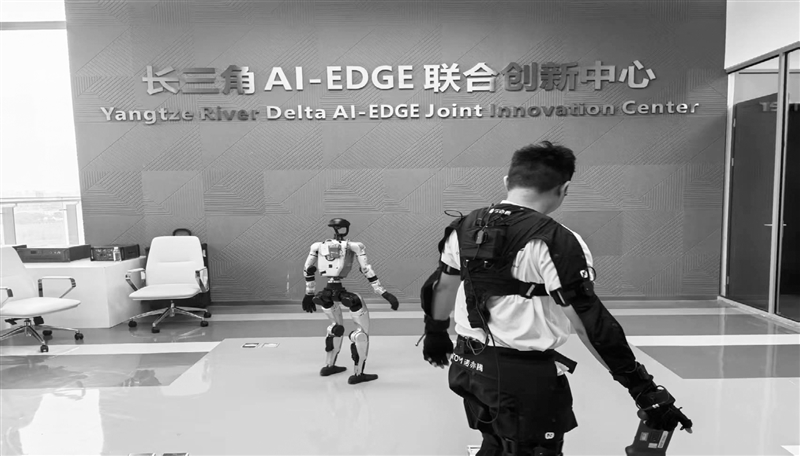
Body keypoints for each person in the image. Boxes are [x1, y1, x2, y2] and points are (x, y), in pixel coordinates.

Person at [418, 141, 692, 455]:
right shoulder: (556, 240)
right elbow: (589, 323)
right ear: (564, 189)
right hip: (522, 380)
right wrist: (642, 388)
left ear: (507, 181)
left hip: (468, 367)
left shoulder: (464, 226)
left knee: (495, 444)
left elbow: (441, 287)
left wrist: (435, 334)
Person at [301, 218, 400, 384]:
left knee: (335, 327)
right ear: (345, 229)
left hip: (325, 293)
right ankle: (358, 374)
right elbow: (366, 269)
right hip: (342, 294)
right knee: (361, 332)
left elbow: (308, 269)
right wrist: (384, 293)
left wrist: (309, 293)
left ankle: (329, 365)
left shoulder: (317, 246)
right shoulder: (354, 246)